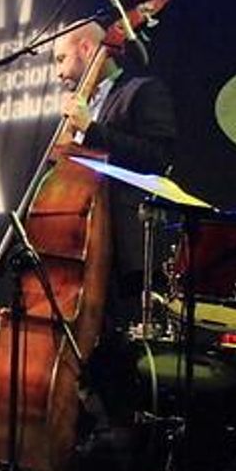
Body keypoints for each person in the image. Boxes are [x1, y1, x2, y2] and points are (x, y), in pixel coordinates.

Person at [51, 20, 176, 326]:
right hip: (80, 251)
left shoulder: (142, 91)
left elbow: (158, 158)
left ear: (86, 48)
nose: (58, 73)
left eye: (61, 59)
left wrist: (91, 129)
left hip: (124, 254)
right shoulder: (80, 106)